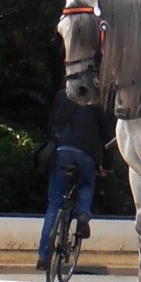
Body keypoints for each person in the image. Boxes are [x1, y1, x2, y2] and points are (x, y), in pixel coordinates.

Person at [36, 90, 116, 271]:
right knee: (86, 185)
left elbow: (51, 125)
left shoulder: (63, 95)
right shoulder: (98, 101)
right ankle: (82, 215)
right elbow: (108, 139)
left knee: (54, 204)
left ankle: (43, 256)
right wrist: (106, 167)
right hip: (88, 155)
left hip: (62, 151)